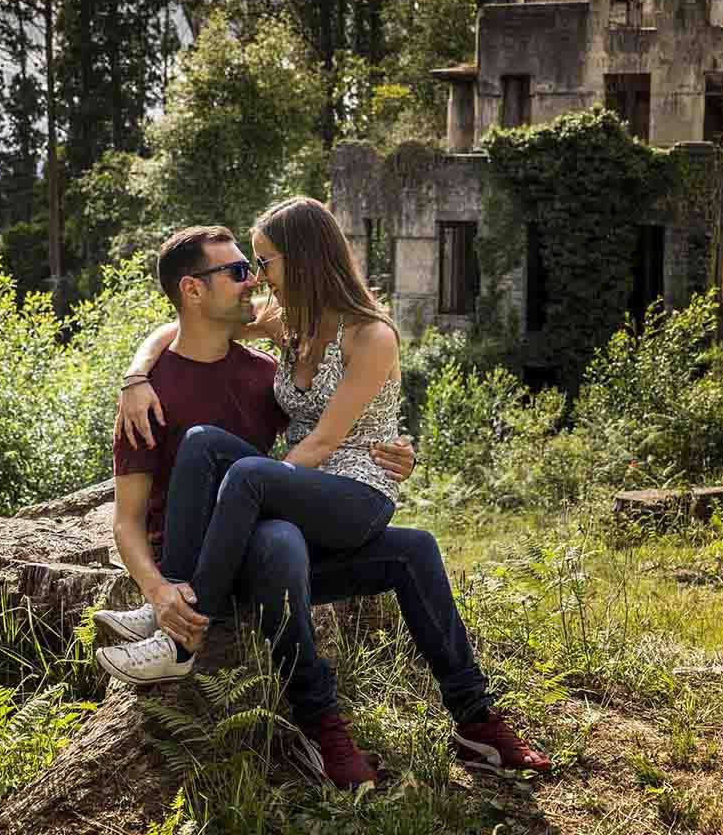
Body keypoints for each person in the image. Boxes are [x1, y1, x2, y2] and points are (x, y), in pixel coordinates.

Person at [97, 219, 552, 787]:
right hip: (207, 549)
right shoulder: (150, 393)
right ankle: (307, 713)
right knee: (216, 458)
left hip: (276, 525)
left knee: (411, 547)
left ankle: (475, 719)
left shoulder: (274, 360)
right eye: (241, 270)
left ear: (303, 260)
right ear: (193, 289)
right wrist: (134, 374)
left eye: (259, 265)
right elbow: (126, 522)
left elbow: (332, 429)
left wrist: (396, 451)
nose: (253, 281)